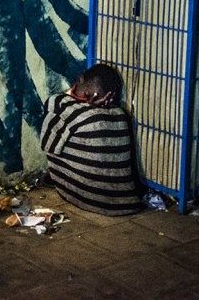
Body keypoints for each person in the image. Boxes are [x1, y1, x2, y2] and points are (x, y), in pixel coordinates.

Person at [40, 63, 144, 216]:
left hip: (97, 198)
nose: (88, 101)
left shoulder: (59, 103)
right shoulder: (59, 102)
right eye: (87, 96)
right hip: (124, 202)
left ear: (107, 99)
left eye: (95, 100)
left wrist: (90, 109)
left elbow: (48, 143)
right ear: (80, 79)